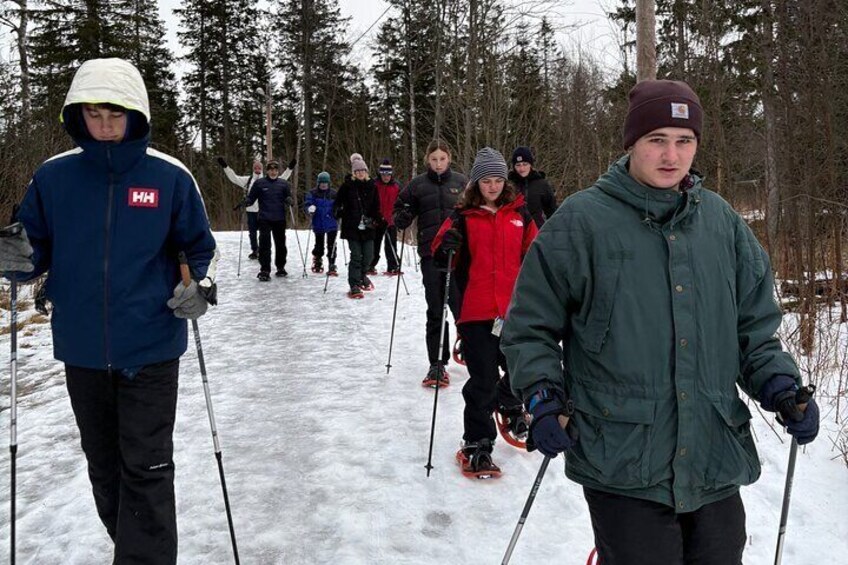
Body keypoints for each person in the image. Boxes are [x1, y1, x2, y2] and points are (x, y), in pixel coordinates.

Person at [501, 79, 820, 564]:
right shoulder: (581, 222)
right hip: (621, 454)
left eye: (684, 140)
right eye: (657, 140)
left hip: (713, 452)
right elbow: (531, 326)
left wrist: (779, 383)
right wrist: (543, 395)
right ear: (632, 143)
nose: (672, 155)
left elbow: (754, 330)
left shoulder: (723, 224)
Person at [0, 57, 218, 564]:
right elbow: (30, 256)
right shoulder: (53, 178)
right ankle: (136, 550)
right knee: (104, 468)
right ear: (77, 116)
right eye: (94, 114)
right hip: (81, 348)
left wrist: (200, 287)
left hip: (152, 345)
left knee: (146, 469)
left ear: (135, 116)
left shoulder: (169, 177)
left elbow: (199, 248)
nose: (104, 125)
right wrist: (13, 257)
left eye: (114, 115)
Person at [431, 147, 538, 478]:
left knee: (523, 372)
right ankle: (477, 442)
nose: (492, 186)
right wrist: (446, 245)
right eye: (486, 180)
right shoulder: (463, 216)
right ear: (476, 183)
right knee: (483, 380)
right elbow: (439, 254)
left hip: (515, 312)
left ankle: (509, 405)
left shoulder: (521, 214)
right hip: (477, 312)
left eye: (497, 180)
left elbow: (538, 254)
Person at [393, 139, 467, 387]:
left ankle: (468, 343)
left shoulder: (461, 183)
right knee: (436, 309)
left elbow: (476, 213)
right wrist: (401, 216)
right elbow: (401, 209)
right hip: (430, 255)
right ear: (427, 160)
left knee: (461, 306)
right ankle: (437, 362)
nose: (438, 164)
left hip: (459, 256)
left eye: (442, 159)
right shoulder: (417, 185)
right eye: (434, 159)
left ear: (449, 159)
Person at [218, 155, 295, 260]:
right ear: (253, 169)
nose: (257, 169)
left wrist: (290, 168)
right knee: (252, 232)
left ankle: (265, 252)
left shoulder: (268, 179)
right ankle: (255, 250)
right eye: (255, 168)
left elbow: (282, 178)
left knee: (265, 235)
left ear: (263, 169)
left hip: (265, 211)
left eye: (259, 167)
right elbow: (234, 178)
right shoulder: (248, 180)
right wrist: (225, 166)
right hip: (251, 210)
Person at [333, 153, 379, 297]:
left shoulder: (372, 186)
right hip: (351, 226)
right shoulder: (347, 186)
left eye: (362, 171)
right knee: (356, 256)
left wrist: (377, 218)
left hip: (368, 226)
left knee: (369, 256)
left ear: (366, 172)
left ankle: (362, 275)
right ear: (354, 173)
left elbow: (376, 206)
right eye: (357, 171)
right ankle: (354, 284)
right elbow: (337, 203)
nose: (360, 173)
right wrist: (338, 211)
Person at [243, 159, 293, 280]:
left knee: (281, 245)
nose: (273, 172)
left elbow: (289, 197)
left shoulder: (283, 183)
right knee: (265, 245)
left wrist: (290, 200)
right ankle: (265, 270)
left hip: (279, 219)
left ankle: (280, 267)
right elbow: (252, 198)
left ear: (277, 171)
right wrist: (247, 202)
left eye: (275, 170)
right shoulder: (260, 183)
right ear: (267, 171)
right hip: (264, 219)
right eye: (270, 170)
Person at [508, 146, 557, 228]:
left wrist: (551, 231)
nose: (522, 168)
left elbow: (552, 211)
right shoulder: (509, 185)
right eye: (518, 165)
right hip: (513, 230)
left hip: (537, 231)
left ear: (530, 164)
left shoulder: (542, 184)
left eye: (525, 164)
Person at [369, 158, 401, 275]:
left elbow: (400, 202)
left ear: (391, 174)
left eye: (388, 174)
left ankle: (393, 266)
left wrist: (399, 215)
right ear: (380, 173)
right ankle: (370, 265)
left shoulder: (397, 185)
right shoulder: (374, 184)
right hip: (377, 220)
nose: (386, 177)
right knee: (375, 244)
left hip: (391, 220)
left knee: (391, 244)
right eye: (383, 174)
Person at [304, 171, 338, 275]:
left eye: (325, 182)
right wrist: (309, 208)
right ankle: (317, 259)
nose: (323, 185)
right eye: (321, 182)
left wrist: (339, 210)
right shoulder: (313, 193)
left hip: (332, 223)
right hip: (318, 223)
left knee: (332, 245)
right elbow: (307, 204)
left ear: (329, 183)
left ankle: (332, 263)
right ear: (318, 183)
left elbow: (339, 204)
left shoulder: (333, 194)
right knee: (319, 245)